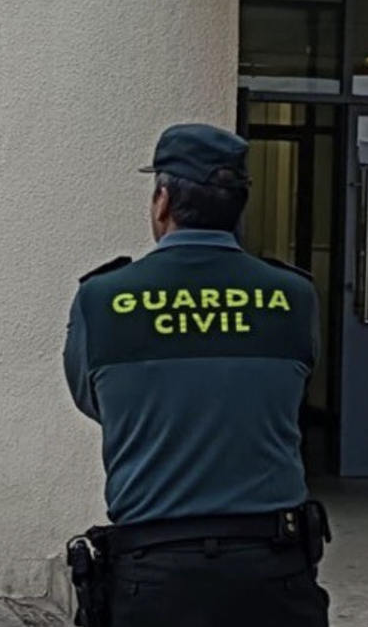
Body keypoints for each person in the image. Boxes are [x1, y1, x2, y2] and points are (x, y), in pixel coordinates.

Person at [62, 122, 329, 627]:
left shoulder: (102, 298)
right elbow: (292, 389)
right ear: (238, 207)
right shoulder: (293, 297)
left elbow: (95, 402)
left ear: (162, 201)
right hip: (273, 574)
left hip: (154, 578)